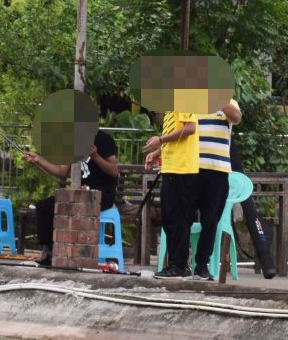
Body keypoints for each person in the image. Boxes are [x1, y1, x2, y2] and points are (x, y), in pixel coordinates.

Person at [24, 131, 121, 267]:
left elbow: (114, 171)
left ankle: (81, 255)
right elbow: (62, 171)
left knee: (81, 204)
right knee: (44, 206)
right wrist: (39, 160)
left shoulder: (102, 139)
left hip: (103, 193)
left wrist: (95, 156)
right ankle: (49, 252)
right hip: (80, 192)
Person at [143, 110, 199, 278]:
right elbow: (176, 139)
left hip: (182, 170)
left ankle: (179, 266)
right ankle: (175, 264)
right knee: (169, 218)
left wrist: (160, 140)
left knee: (178, 219)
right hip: (171, 169)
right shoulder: (170, 109)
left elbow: (191, 128)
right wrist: (157, 153)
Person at [191, 98, 242, 281]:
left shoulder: (228, 102)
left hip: (218, 172)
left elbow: (236, 117)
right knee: (183, 217)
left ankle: (201, 265)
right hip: (191, 169)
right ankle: (178, 263)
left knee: (210, 221)